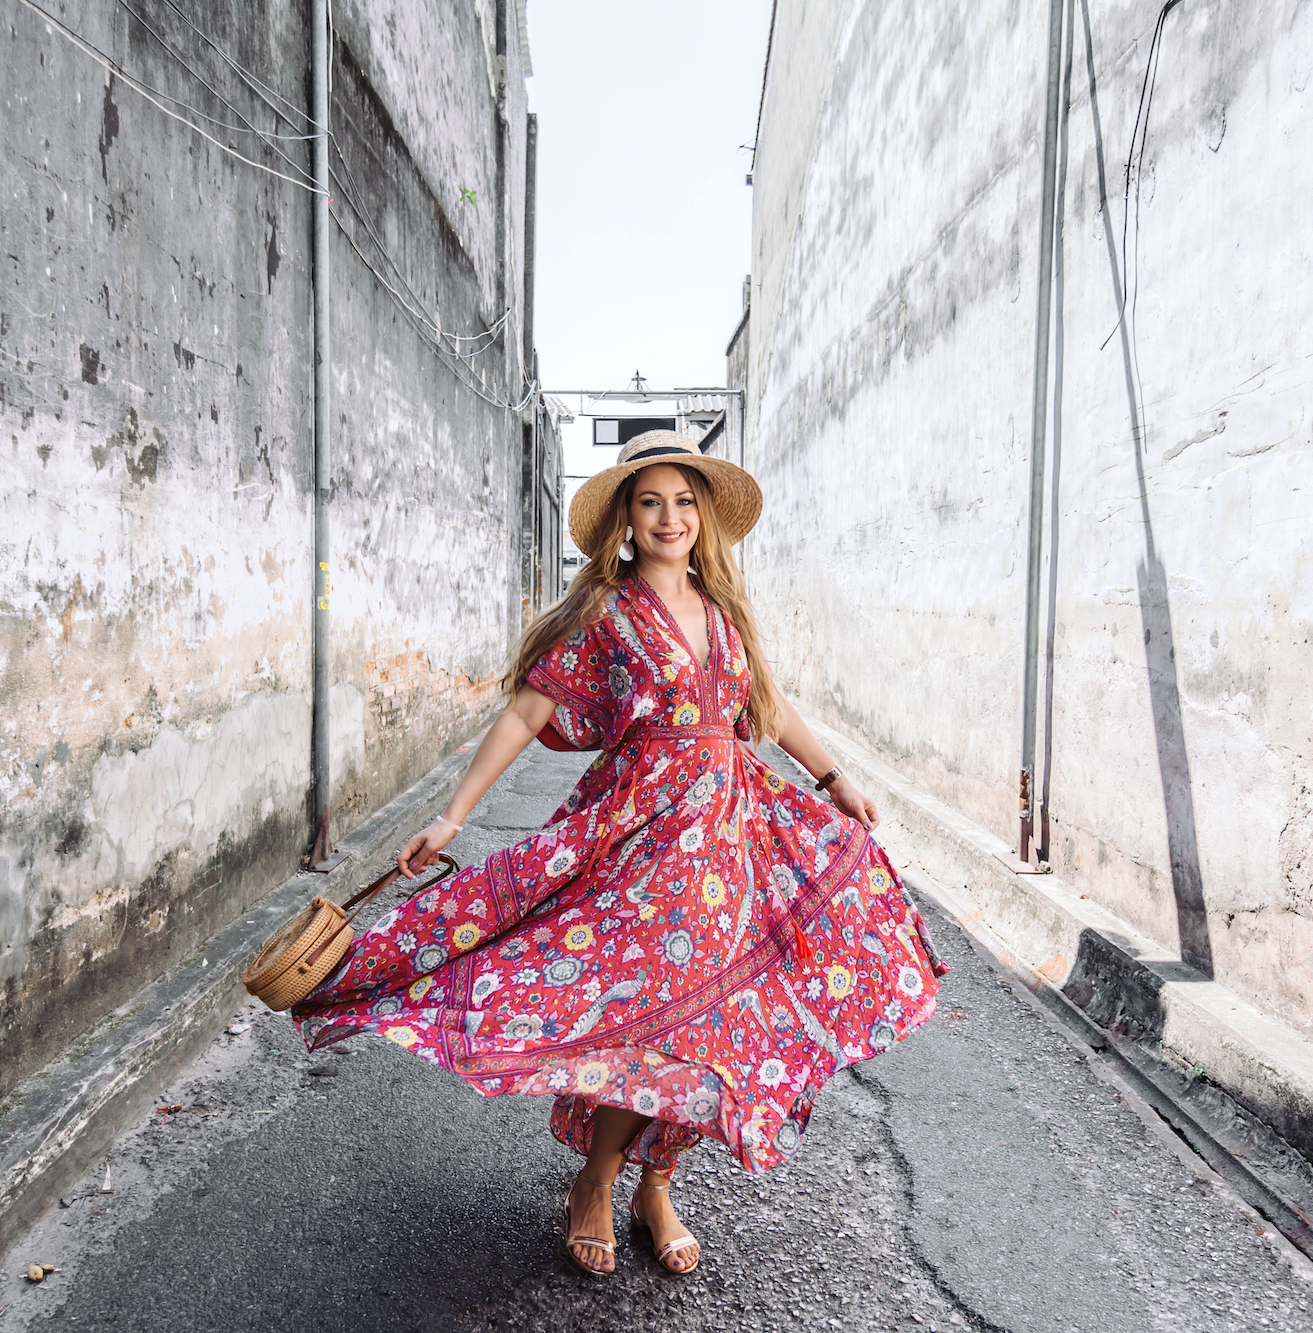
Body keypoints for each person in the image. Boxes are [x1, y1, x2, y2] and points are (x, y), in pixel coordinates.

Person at [293, 431, 947, 1277]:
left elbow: (766, 707)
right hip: (643, 838)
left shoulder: (724, 610)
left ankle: (657, 1186)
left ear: (703, 514)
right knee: (641, 1009)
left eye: (683, 501)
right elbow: (529, 713)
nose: (669, 517)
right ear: (627, 522)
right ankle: (597, 1181)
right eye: (651, 502)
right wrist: (453, 817)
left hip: (729, 844)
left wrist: (833, 780)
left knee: (709, 1018)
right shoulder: (609, 614)